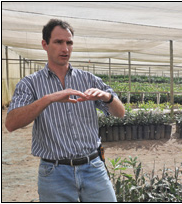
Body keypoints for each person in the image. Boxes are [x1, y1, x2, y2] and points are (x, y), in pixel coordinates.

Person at [5, 19, 125, 202]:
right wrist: (48, 99)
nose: (65, 49)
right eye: (58, 42)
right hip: (54, 173)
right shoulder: (30, 84)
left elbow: (120, 112)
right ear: (45, 44)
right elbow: (11, 123)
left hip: (93, 167)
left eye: (69, 43)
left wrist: (107, 98)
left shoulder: (88, 79)